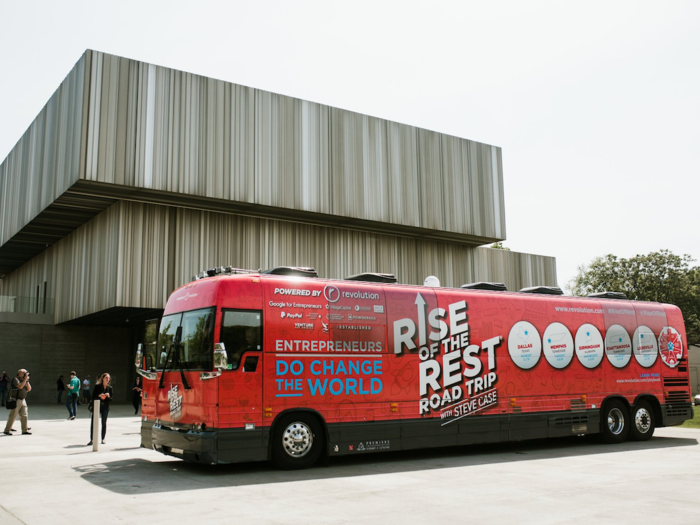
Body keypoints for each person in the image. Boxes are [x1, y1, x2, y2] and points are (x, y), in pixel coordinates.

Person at [4, 369, 32, 435]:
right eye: (24, 373)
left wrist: (27, 381)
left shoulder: (24, 380)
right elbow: (20, 387)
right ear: (20, 374)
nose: (25, 375)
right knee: (13, 415)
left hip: (23, 400)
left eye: (26, 373)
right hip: (16, 399)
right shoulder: (16, 379)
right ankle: (7, 430)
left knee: (24, 415)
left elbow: (29, 389)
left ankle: (24, 430)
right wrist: (25, 380)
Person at [87, 373, 112, 446]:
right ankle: (92, 439)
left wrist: (108, 396)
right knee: (94, 423)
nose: (108, 379)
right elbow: (93, 396)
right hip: (97, 406)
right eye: (106, 378)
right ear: (103, 378)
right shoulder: (97, 386)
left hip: (105, 407)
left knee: (104, 422)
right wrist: (99, 395)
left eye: (108, 378)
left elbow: (111, 400)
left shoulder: (109, 388)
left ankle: (103, 438)